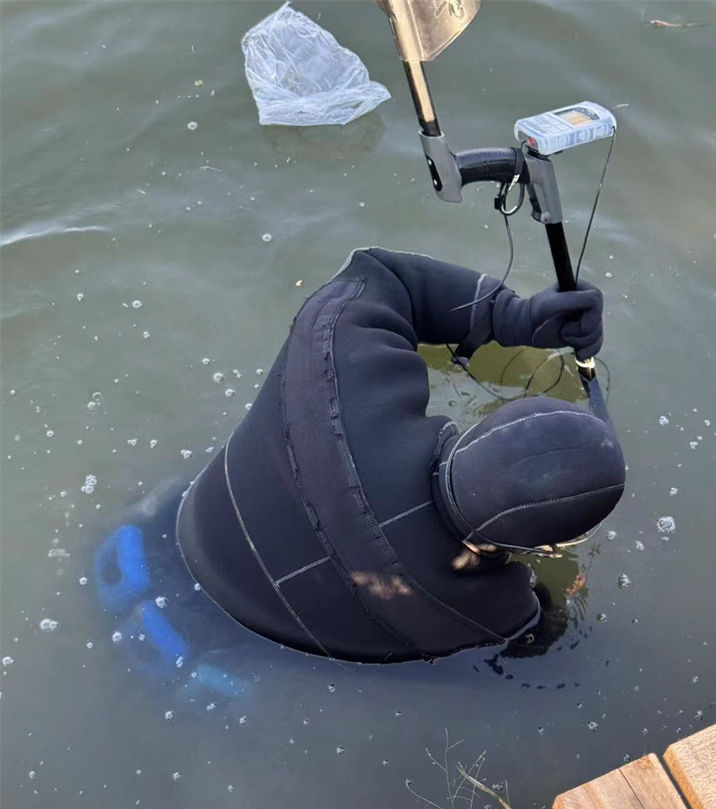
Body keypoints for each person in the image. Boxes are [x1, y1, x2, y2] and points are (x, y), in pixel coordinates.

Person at [172, 248, 626, 663]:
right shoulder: (483, 614)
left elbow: (385, 275)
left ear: (488, 426)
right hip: (248, 652)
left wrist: (510, 314)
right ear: (544, 547)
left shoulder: (336, 365)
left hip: (181, 533)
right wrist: (557, 606)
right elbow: (541, 645)